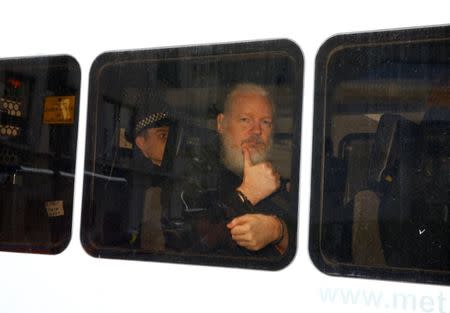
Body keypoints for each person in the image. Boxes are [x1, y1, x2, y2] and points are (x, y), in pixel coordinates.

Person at [200, 83, 290, 256]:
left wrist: (279, 232)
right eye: (245, 120)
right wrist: (247, 194)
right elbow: (192, 249)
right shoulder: (198, 176)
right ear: (221, 123)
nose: (256, 130)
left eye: (265, 122)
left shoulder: (281, 186)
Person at [129, 99, 172, 251]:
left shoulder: (168, 175)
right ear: (141, 143)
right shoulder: (137, 180)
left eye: (170, 136)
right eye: (162, 136)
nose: (169, 142)